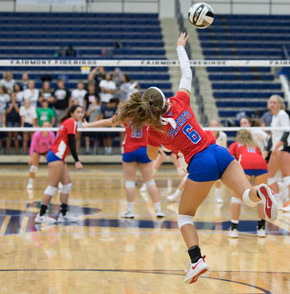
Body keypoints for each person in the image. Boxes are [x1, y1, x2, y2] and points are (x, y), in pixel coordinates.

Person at [112, 33, 277, 284]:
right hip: (219, 152)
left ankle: (196, 260)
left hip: (200, 162)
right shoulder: (181, 100)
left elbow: (151, 155)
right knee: (247, 197)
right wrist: (180, 47)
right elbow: (187, 72)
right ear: (165, 99)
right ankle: (261, 191)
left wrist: (161, 147)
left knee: (185, 216)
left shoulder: (154, 130)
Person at [82, 118, 165, 219]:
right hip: (144, 149)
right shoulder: (147, 114)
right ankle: (158, 210)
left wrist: (87, 125)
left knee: (130, 181)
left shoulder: (128, 115)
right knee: (149, 181)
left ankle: (130, 212)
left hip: (129, 149)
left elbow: (107, 122)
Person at [35, 104, 83, 224]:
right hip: (56, 156)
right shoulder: (71, 122)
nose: (80, 114)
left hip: (60, 158)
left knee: (67, 185)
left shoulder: (69, 122)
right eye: (77, 112)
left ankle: (64, 214)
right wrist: (76, 160)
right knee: (52, 186)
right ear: (71, 113)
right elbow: (71, 141)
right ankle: (40, 215)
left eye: (81, 112)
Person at [228, 129, 268, 238]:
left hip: (245, 163)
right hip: (261, 164)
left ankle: (234, 228)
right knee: (262, 196)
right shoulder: (256, 146)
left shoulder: (235, 145)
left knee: (236, 196)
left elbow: (229, 158)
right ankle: (261, 228)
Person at [266, 95, 290, 212]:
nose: (272, 104)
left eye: (275, 102)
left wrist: (278, 147)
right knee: (270, 175)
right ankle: (278, 201)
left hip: (284, 148)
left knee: (287, 174)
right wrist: (268, 148)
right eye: (271, 102)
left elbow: (286, 132)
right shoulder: (274, 117)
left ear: (280, 104)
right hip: (276, 149)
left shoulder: (283, 114)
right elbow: (274, 135)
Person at [27, 121, 56, 190]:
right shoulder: (36, 134)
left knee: (54, 166)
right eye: (45, 126)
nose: (46, 127)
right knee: (33, 167)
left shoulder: (51, 134)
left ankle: (58, 183)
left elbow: (54, 146)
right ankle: (30, 183)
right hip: (37, 151)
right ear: (41, 127)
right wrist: (31, 157)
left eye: (48, 126)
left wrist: (55, 156)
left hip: (47, 151)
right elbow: (32, 146)